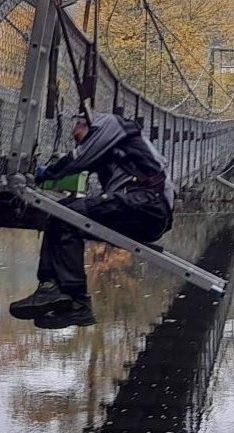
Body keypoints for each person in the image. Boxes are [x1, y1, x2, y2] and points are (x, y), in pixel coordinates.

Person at [10, 112, 175, 329]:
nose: (76, 139)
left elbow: (78, 159)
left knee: (68, 215)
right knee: (61, 215)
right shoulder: (111, 142)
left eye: (77, 134)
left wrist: (45, 174)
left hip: (146, 204)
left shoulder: (112, 124)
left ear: (86, 123)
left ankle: (73, 296)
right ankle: (55, 291)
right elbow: (81, 164)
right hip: (140, 208)